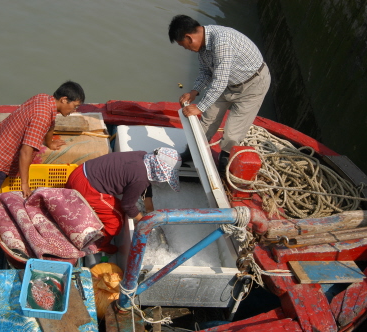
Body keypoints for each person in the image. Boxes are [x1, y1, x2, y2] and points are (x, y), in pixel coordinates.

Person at [169, 15, 271, 173]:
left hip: (253, 85)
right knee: (208, 120)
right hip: (227, 84)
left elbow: (219, 81)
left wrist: (200, 107)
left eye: (184, 46)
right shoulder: (202, 48)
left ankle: (224, 162)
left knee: (233, 132)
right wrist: (194, 92)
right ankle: (192, 152)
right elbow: (205, 73)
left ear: (189, 37)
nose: (186, 49)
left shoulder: (221, 41)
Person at [0, 81, 85, 208]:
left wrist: (49, 142)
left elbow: (51, 121)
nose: (75, 110)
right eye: (75, 106)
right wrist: (24, 184)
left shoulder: (43, 98)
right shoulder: (42, 116)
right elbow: (26, 151)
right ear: (64, 100)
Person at [65, 147, 181, 253]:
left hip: (80, 171)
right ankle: (99, 245)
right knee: (116, 219)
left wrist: (149, 209)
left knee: (113, 208)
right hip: (85, 187)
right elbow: (127, 205)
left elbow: (145, 184)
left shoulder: (142, 155)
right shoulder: (140, 179)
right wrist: (144, 222)